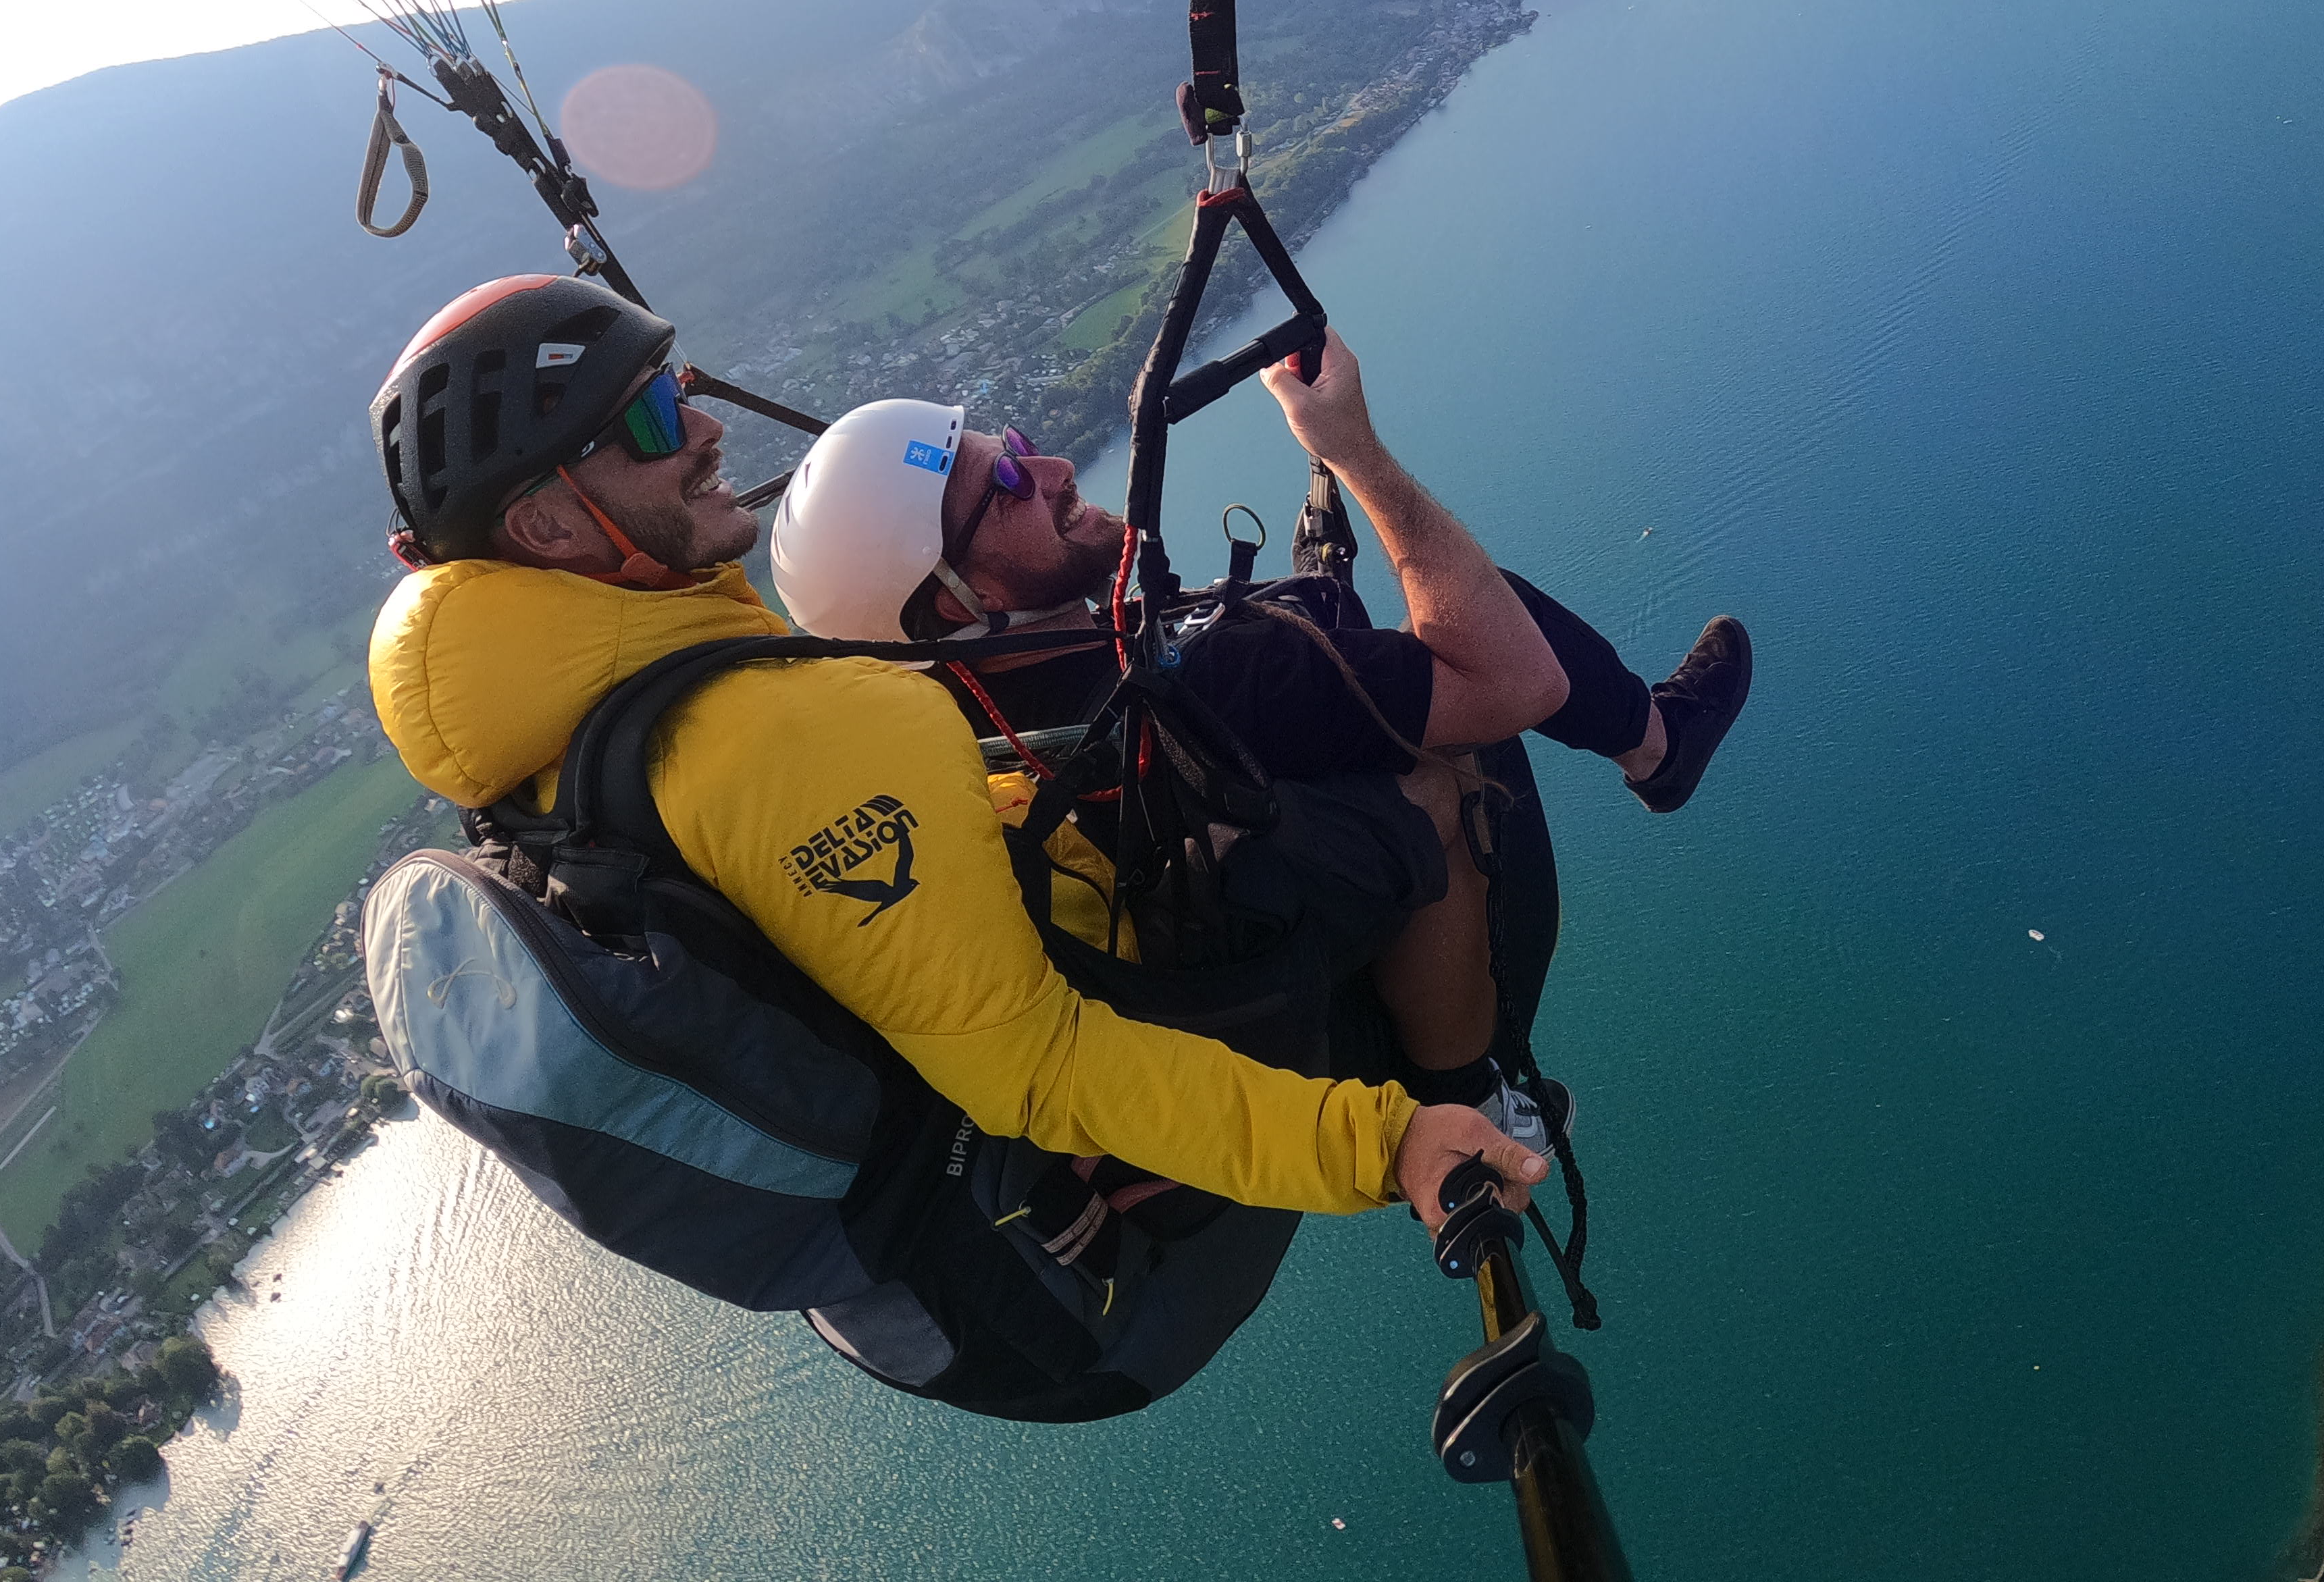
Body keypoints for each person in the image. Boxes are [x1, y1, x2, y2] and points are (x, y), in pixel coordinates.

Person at [361, 271, 1539, 1261]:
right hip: (1126, 1042)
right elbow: (1041, 1065)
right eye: (656, 421)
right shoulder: (787, 731)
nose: (708, 430)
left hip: (939, 1072)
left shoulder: (544, 737)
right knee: (1439, 786)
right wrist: (1386, 1145)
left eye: (680, 392)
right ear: (548, 528)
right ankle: (1475, 1085)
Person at [760, 325, 1757, 1152]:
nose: (1054, 469)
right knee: (1462, 696)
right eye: (1010, 481)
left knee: (1420, 639)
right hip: (1284, 976)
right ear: (953, 600)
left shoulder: (951, 732)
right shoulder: (1205, 681)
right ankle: (1477, 1089)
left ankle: (1653, 746)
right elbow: (1517, 681)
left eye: (1014, 442)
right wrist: (1354, 452)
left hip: (1183, 975)